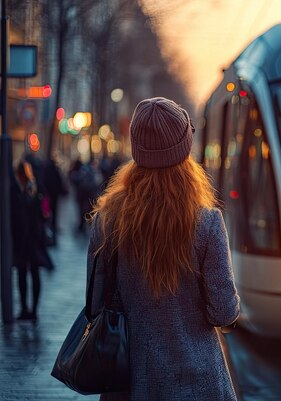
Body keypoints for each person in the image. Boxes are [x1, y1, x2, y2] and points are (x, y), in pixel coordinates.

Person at [88, 97, 240, 400]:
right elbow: (224, 312)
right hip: (198, 383)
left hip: (129, 384)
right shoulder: (207, 223)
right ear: (185, 152)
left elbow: (95, 308)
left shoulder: (106, 222)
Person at [11, 160, 48, 321]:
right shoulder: (20, 189)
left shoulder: (29, 189)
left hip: (30, 238)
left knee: (29, 272)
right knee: (27, 273)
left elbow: (45, 209)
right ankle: (28, 309)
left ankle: (30, 309)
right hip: (27, 238)